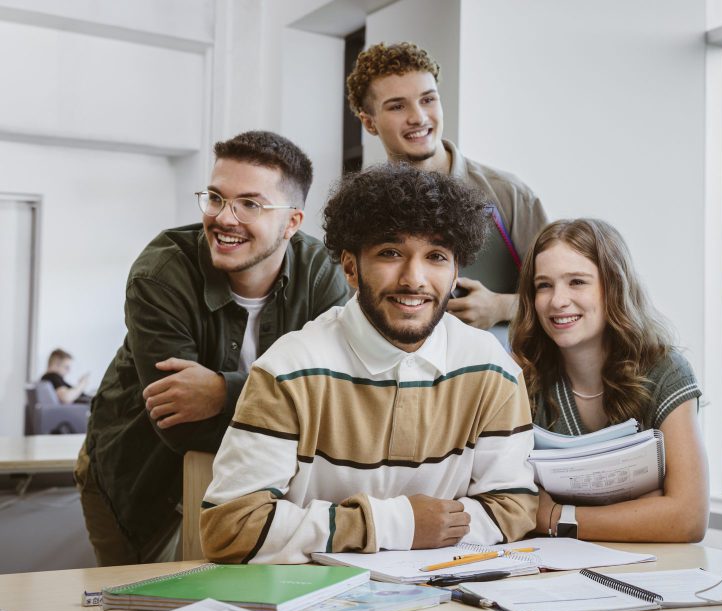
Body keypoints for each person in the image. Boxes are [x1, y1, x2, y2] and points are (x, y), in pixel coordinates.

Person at [200, 164, 538, 564]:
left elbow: (514, 507)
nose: (414, 278)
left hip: (442, 601)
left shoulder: (493, 371)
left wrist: (432, 530)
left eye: (436, 256)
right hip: (312, 609)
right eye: (390, 253)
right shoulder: (289, 370)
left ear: (455, 273)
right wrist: (399, 524)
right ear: (350, 268)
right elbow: (230, 527)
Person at [77, 130, 350, 566]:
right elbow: (178, 425)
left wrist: (223, 392)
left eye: (250, 204)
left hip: (257, 494)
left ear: (292, 222)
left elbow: (346, 396)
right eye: (216, 198)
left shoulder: (321, 275)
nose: (225, 217)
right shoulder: (160, 273)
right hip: (140, 480)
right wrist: (295, 415)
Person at [510, 218, 709, 543]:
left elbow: (688, 518)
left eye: (577, 282)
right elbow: (511, 506)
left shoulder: (665, 370)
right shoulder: (522, 375)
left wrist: (555, 516)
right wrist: (644, 511)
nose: (557, 300)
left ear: (613, 287)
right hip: (552, 574)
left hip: (653, 571)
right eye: (543, 285)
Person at [346, 41, 548, 336]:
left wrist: (501, 307)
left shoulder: (508, 194)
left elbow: (566, 295)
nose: (418, 117)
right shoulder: (360, 208)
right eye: (398, 106)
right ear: (369, 122)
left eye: (428, 100)